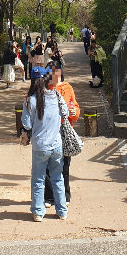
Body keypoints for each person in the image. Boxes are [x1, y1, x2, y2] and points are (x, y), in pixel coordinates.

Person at [21, 65, 69, 222]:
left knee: (38, 180)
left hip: (40, 146)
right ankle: (62, 211)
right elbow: (66, 113)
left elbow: (26, 124)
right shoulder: (55, 96)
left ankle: (38, 212)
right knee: (58, 177)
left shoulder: (30, 101)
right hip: (56, 144)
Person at [44, 64, 80, 208]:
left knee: (64, 165)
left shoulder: (67, 88)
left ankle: (65, 195)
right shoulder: (44, 90)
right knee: (47, 165)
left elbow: (75, 106)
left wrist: (74, 112)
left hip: (65, 131)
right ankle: (49, 197)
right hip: (49, 132)